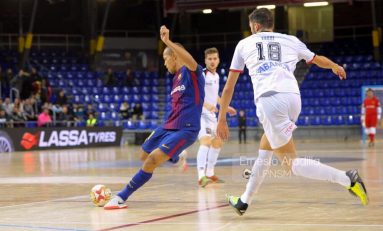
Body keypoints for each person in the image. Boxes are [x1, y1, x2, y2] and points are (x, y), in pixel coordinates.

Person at [216, 8, 368, 215]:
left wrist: (221, 118)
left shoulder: (244, 44)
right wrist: (334, 66)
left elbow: (228, 87)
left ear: (256, 26)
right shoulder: (290, 40)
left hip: (270, 100)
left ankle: (347, 178)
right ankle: (244, 200)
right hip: (293, 98)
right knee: (265, 147)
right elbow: (316, 59)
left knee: (291, 164)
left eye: (251, 27)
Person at [104, 25, 205, 210]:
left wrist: (167, 42)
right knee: (143, 154)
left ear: (174, 56)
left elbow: (189, 60)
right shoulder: (175, 79)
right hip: (167, 126)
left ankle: (121, 197)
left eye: (165, 59)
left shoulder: (192, 73)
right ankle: (175, 156)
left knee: (152, 160)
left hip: (186, 129)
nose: (164, 64)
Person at [194, 47, 237, 187]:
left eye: (214, 59)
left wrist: (225, 106)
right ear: (205, 60)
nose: (212, 61)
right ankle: (201, 176)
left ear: (218, 60)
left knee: (218, 142)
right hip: (201, 114)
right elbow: (195, 94)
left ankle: (210, 173)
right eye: (209, 59)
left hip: (212, 115)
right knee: (206, 141)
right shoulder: (202, 74)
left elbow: (215, 96)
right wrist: (206, 105)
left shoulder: (216, 76)